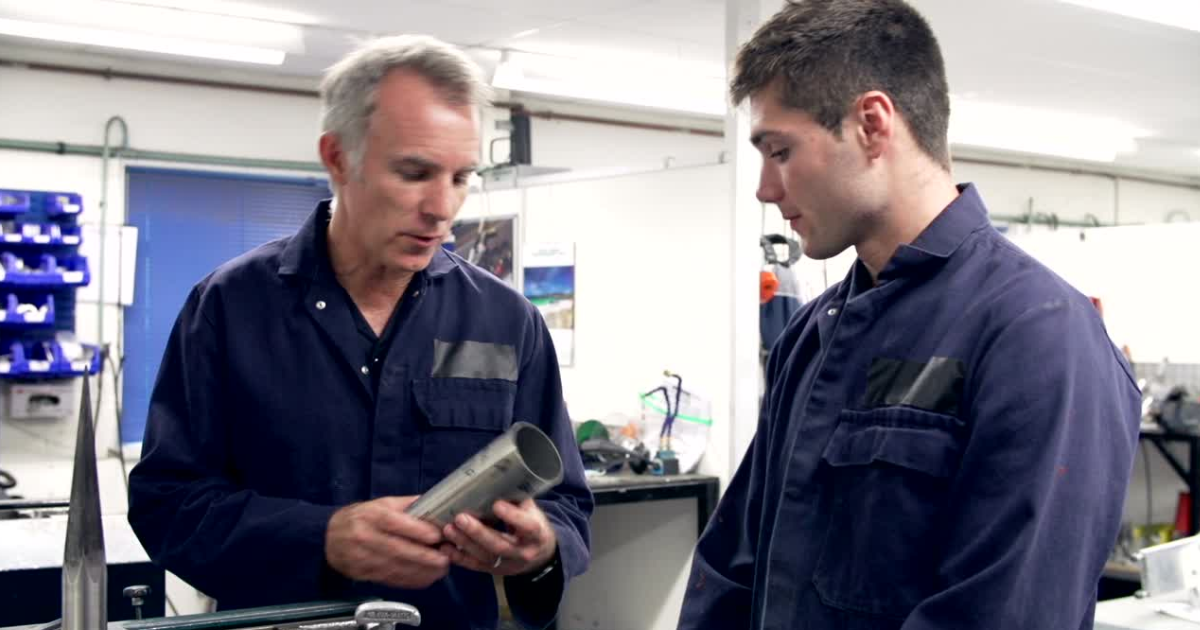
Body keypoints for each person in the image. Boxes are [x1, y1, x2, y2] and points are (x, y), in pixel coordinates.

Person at [678, 1, 1140, 629]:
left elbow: (1006, 612)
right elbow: (736, 568)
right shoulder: (810, 337)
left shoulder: (1036, 335)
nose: (764, 187)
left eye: (779, 150)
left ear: (871, 123)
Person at [128, 35, 592, 630]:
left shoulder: (507, 320)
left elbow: (567, 506)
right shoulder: (230, 308)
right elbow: (169, 505)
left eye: (460, 177)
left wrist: (541, 549)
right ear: (338, 158)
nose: (442, 207)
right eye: (415, 172)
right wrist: (321, 537)